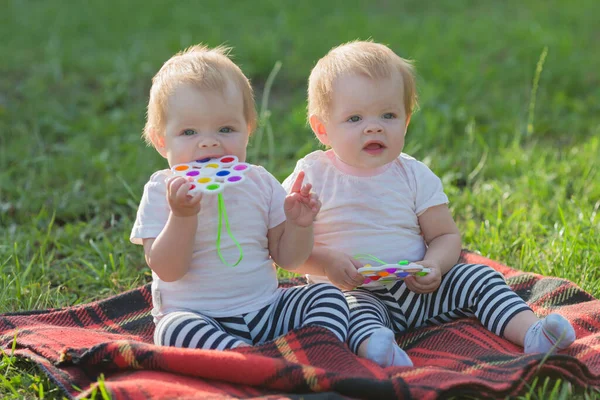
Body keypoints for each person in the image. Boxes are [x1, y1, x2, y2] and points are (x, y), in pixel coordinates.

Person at [282, 40, 575, 367]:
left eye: (388, 114)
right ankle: (380, 350)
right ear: (322, 128)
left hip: (419, 291)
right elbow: (287, 252)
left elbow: (445, 236)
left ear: (406, 121)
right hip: (353, 291)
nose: (374, 126)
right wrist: (325, 263)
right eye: (354, 118)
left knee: (480, 278)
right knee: (338, 311)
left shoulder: (413, 175)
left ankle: (534, 333)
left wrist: (435, 264)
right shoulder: (311, 177)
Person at [130, 44, 349, 350]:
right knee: (173, 330)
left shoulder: (259, 182)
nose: (208, 143)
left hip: (267, 310)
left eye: (225, 129)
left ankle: (317, 350)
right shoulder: (162, 190)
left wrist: (299, 226)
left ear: (247, 130)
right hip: (200, 317)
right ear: (160, 140)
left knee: (328, 296)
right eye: (189, 133)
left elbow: (288, 259)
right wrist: (182, 216)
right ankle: (246, 357)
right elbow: (168, 269)